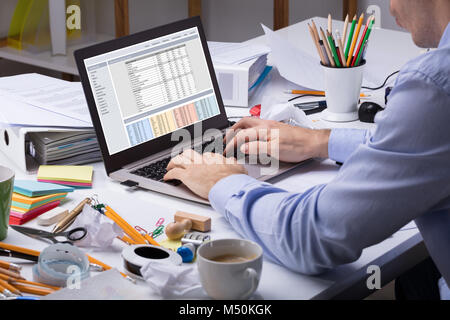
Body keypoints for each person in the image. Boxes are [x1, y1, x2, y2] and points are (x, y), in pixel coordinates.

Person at [164, 0, 450, 299]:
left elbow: (311, 237)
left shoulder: (437, 83)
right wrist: (318, 141)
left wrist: (221, 181)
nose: (391, 8)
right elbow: (426, 144)